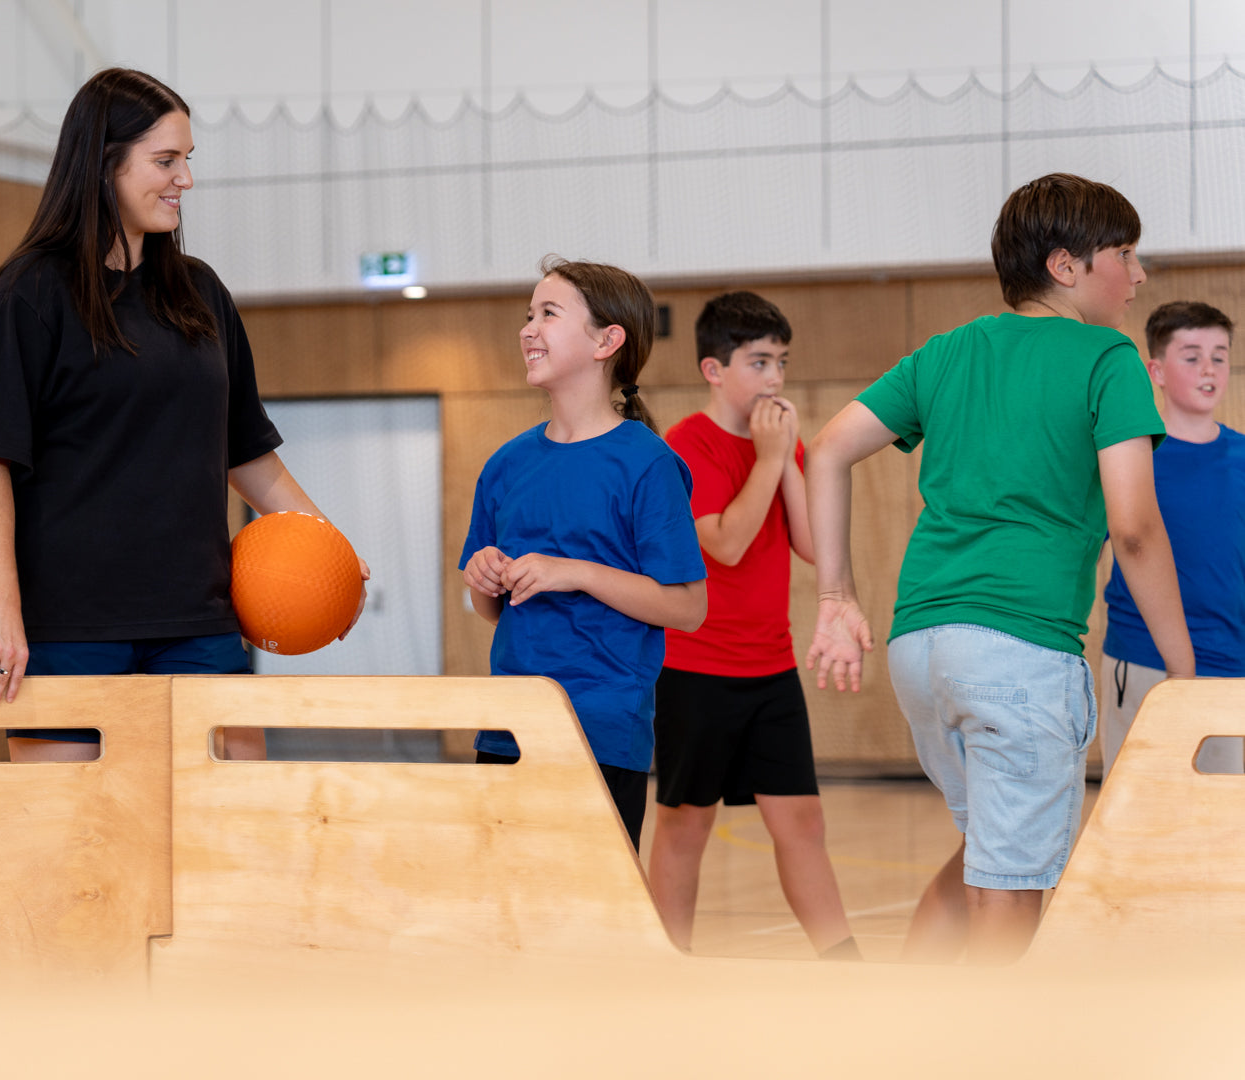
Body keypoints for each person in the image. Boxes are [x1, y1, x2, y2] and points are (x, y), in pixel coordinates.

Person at [804, 173, 1194, 965]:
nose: (1139, 274)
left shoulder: (948, 350)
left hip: (922, 649)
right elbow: (1136, 528)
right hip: (1017, 649)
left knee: (984, 858)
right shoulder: (1106, 356)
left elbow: (828, 449)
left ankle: (914, 1032)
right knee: (1010, 889)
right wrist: (1184, 670)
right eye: (1126, 253)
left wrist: (835, 594)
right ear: (1066, 266)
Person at [0, 68, 366, 762]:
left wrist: (333, 554)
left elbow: (249, 458)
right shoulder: (25, 297)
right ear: (104, 164)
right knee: (75, 856)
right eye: (165, 161)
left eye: (187, 161)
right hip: (70, 630)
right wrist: (3, 606)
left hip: (199, 624)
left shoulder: (202, 294)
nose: (185, 179)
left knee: (229, 842)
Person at [461, 257, 708, 851]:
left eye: (548, 313)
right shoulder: (506, 464)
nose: (528, 329)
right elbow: (492, 612)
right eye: (528, 315)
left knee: (586, 927)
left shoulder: (647, 464)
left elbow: (686, 607)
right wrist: (483, 577)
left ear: (607, 341)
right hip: (509, 729)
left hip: (600, 733)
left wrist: (573, 573)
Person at [646, 292, 858, 958]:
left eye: (781, 363)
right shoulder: (687, 446)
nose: (774, 379)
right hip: (693, 669)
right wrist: (770, 461)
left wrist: (786, 458)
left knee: (802, 819)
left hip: (770, 668)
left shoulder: (778, 446)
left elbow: (812, 545)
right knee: (685, 824)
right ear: (715, 370)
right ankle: (667, 964)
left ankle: (842, 962)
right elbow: (727, 543)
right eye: (758, 362)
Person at [1101, 301, 1244, 775]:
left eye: (1219, 355)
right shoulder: (1127, 457)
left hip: (1230, 670)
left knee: (1223, 827)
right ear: (1156, 371)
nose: (1209, 368)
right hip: (1144, 663)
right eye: (1191, 355)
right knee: (1137, 821)